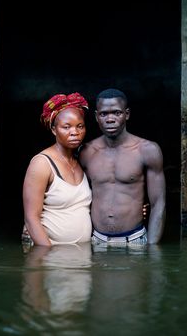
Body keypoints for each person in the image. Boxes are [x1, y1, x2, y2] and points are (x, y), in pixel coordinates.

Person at [79, 88, 166, 247]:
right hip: (96, 241)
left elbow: (158, 203)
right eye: (104, 114)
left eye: (116, 113)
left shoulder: (147, 150)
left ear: (127, 114)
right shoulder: (86, 152)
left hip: (135, 241)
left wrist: (152, 251)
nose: (110, 119)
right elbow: (72, 198)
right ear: (96, 117)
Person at [22, 92, 92, 246]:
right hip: (52, 256)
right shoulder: (42, 163)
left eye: (80, 126)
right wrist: (47, 255)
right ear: (54, 130)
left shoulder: (80, 160)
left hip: (80, 258)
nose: (75, 132)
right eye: (66, 127)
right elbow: (31, 219)